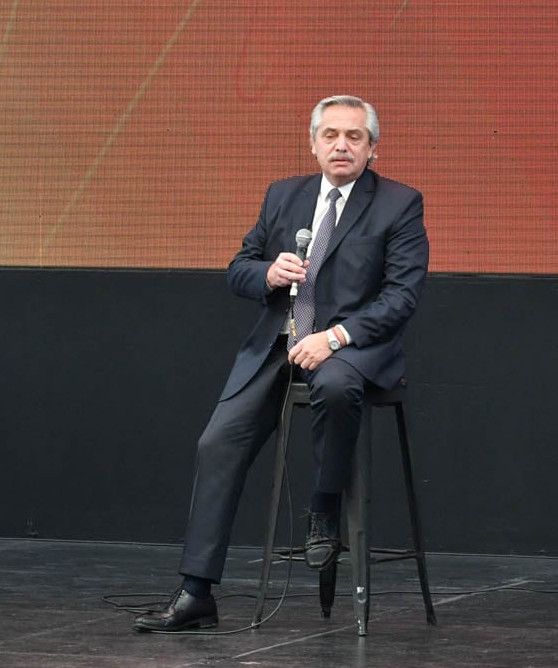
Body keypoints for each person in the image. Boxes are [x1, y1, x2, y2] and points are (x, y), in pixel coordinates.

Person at [133, 95, 429, 632]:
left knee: (336, 388)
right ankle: (197, 591)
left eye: (354, 137)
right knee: (216, 442)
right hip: (279, 345)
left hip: (353, 350)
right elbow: (237, 268)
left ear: (373, 149)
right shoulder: (283, 196)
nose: (342, 145)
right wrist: (268, 273)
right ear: (313, 143)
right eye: (331, 135)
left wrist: (335, 337)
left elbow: (402, 296)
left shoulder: (399, 203)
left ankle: (324, 511)